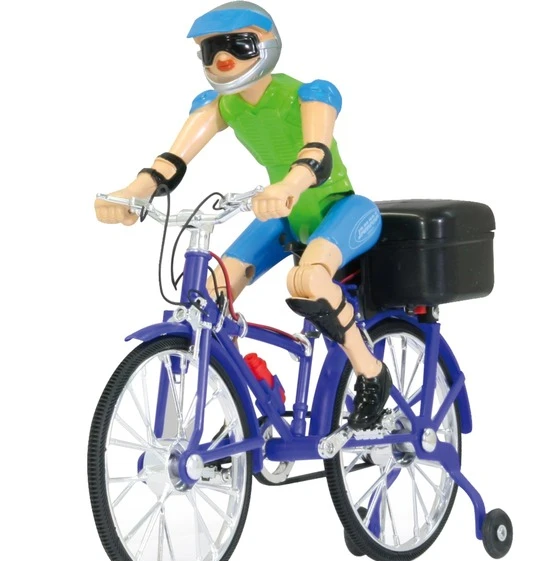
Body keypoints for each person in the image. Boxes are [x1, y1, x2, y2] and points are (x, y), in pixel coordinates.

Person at [94, 1, 391, 429]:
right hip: (284, 214)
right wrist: (132, 194)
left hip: (341, 209)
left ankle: (371, 373)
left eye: (238, 45)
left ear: (266, 45)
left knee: (309, 279)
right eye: (210, 49)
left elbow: (317, 155)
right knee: (210, 294)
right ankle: (249, 394)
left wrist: (289, 186)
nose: (222, 58)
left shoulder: (310, 94)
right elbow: (172, 161)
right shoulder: (222, 105)